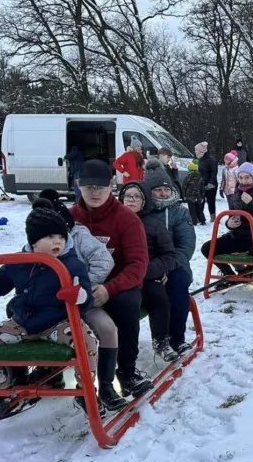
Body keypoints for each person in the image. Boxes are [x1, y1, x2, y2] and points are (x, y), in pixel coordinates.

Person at [0, 205, 99, 419]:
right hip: (23, 323)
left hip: (59, 323)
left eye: (61, 236)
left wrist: (79, 296)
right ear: (34, 241)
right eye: (49, 236)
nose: (57, 241)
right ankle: (2, 390)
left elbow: (86, 299)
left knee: (87, 341)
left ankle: (86, 391)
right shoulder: (18, 263)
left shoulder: (72, 264)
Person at [32, 193, 126, 412]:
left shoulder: (79, 235)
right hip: (48, 309)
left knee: (107, 328)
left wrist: (83, 287)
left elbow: (104, 260)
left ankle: (105, 385)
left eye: (58, 234)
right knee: (26, 326)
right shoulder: (34, 244)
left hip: (79, 302)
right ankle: (39, 375)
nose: (54, 241)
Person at [71, 159, 153, 398]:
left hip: (118, 286)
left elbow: (138, 264)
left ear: (111, 186)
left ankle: (126, 372)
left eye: (101, 187)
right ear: (79, 185)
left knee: (126, 305)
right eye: (89, 187)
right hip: (77, 286)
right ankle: (46, 372)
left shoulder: (127, 219)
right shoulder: (69, 217)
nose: (95, 192)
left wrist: (109, 289)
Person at [199, 162, 253, 293]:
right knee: (207, 248)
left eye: (247, 177)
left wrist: (251, 203)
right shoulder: (236, 193)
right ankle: (230, 274)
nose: (244, 181)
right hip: (238, 236)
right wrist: (229, 223)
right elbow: (231, 214)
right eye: (241, 177)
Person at [119, 181, 179, 363]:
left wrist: (147, 271)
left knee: (159, 297)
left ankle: (161, 341)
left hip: (147, 274)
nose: (131, 200)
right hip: (119, 276)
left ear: (144, 201)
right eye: (128, 196)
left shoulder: (153, 224)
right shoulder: (114, 220)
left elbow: (168, 254)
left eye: (136, 197)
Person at [144, 159, 196, 354]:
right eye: (157, 190)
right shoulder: (142, 212)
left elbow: (186, 245)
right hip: (148, 266)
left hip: (175, 265)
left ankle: (176, 337)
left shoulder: (179, 213)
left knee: (177, 285)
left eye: (166, 189)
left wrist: (167, 267)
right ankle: (159, 337)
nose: (163, 193)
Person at [196, 141, 218, 222]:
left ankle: (213, 217)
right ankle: (200, 218)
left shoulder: (211, 159)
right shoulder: (197, 159)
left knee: (211, 202)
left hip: (210, 185)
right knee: (200, 202)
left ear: (201, 151)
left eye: (196, 150)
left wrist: (211, 183)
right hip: (201, 185)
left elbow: (214, 172)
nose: (195, 152)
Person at [183, 159, 207, 226]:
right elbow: (202, 187)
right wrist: (202, 196)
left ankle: (194, 221)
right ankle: (202, 220)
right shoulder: (200, 176)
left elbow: (184, 186)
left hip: (190, 196)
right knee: (199, 209)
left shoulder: (188, 176)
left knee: (192, 210)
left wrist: (184, 195)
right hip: (198, 196)